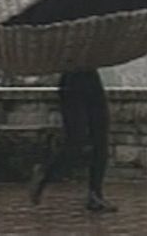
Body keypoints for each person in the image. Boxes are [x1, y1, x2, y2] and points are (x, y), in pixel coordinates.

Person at [29, 70, 117, 213]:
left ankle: (95, 194)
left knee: (100, 139)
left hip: (91, 78)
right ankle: (44, 173)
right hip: (72, 81)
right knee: (76, 141)